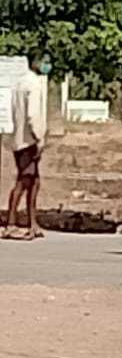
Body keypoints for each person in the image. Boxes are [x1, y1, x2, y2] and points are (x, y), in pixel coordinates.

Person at [4, 52, 50, 241]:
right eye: (45, 62)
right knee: (24, 181)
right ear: (36, 63)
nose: (47, 66)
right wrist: (39, 137)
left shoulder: (20, 83)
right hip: (29, 140)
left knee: (34, 182)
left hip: (19, 138)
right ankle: (11, 223)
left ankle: (32, 223)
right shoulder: (33, 85)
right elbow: (33, 115)